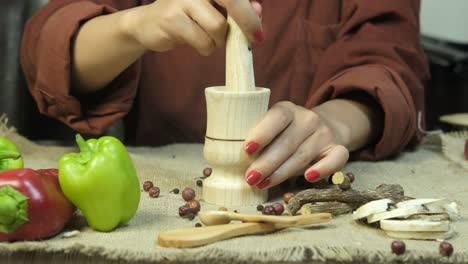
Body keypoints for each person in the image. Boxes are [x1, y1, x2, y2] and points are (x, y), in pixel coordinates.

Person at [20, 0, 429, 190]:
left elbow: (390, 62)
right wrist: (133, 27)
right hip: (172, 176)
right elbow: (50, 53)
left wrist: (334, 123)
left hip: (306, 188)